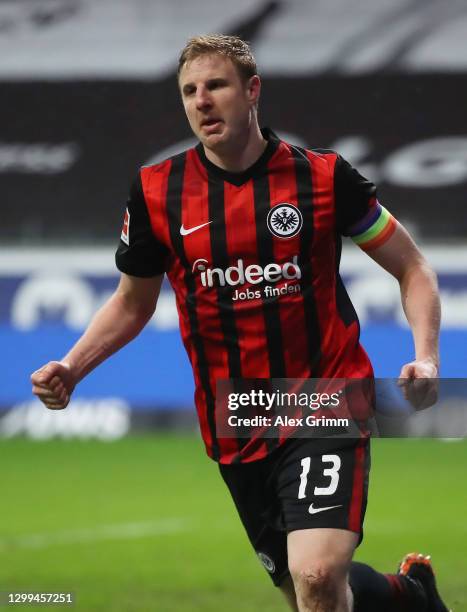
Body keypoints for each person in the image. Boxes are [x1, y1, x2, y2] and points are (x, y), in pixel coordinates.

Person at [31, 35, 448, 612]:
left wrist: (426, 355)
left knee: (319, 576)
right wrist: (73, 368)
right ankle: (410, 597)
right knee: (307, 589)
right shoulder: (157, 193)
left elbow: (413, 267)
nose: (202, 101)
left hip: (325, 396)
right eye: (189, 91)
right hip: (236, 415)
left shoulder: (322, 178)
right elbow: (132, 302)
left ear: (252, 91)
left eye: (216, 85)